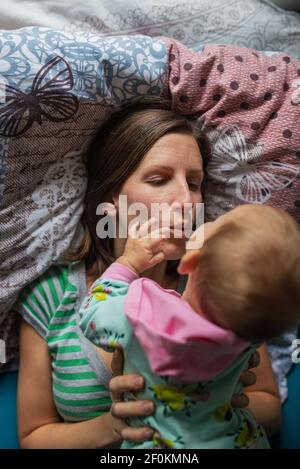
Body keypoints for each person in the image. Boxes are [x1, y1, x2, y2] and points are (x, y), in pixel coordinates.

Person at [15, 97, 279, 449]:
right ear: (112, 197)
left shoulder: (225, 281)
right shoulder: (51, 296)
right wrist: (117, 425)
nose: (187, 201)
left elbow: (270, 406)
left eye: (196, 183)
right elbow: (33, 437)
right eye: (159, 179)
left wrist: (210, 407)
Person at [79, 204, 300, 448]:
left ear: (191, 262)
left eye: (220, 220)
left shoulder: (140, 314)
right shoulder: (247, 331)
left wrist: (127, 265)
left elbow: (92, 312)